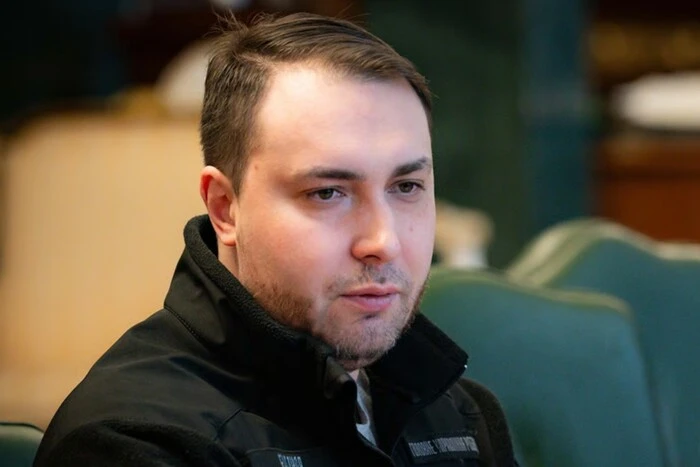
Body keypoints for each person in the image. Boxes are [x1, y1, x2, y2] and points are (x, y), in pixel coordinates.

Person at [34, 12, 518, 466]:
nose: (383, 240)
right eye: (327, 193)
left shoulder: (463, 415)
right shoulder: (135, 442)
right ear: (224, 208)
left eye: (406, 187)